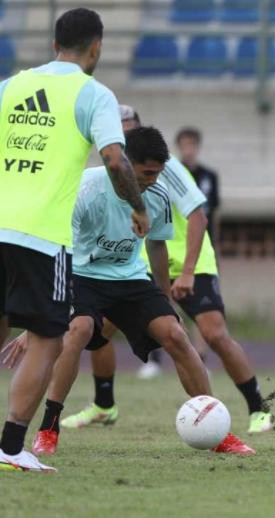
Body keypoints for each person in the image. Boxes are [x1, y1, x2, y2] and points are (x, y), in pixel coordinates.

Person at [1, 127, 255, 457]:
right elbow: (58, 249)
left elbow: (157, 246)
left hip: (131, 279)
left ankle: (218, 433)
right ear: (124, 164)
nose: (153, 180)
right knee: (78, 329)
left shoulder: (158, 195)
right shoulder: (86, 190)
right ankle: (49, 427)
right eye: (147, 172)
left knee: (176, 336)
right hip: (83, 275)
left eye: (158, 173)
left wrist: (163, 299)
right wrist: (45, 313)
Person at [57, 106, 273, 435]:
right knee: (95, 333)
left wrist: (186, 272)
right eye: (118, 133)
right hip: (140, 263)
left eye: (128, 129)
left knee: (212, 334)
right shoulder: (109, 174)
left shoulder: (164, 170)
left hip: (189, 260)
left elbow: (198, 215)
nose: (121, 138)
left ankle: (257, 409)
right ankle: (103, 405)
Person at [0, 7, 148, 473]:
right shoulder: (93, 93)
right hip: (41, 236)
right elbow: (115, 160)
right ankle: (9, 447)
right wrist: (138, 207)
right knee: (48, 338)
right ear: (97, 47)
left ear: (52, 45)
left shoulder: (11, 85)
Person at [176, 126, 221, 245]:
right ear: (179, 147)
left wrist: (215, 240)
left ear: (198, 147)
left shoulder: (209, 176)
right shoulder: (174, 175)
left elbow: (214, 209)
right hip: (181, 235)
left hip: (205, 235)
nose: (189, 150)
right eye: (185, 145)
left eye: (192, 145)